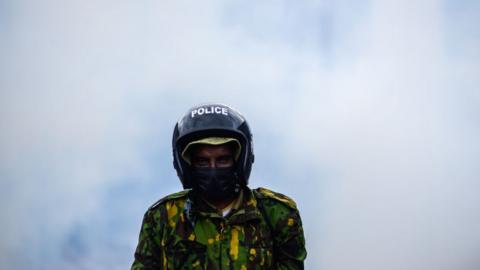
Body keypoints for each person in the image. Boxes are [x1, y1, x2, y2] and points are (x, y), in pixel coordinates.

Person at [131, 103, 307, 269]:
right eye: (203, 162)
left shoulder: (277, 214)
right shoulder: (163, 217)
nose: (213, 169)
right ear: (188, 165)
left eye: (223, 160)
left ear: (238, 161)